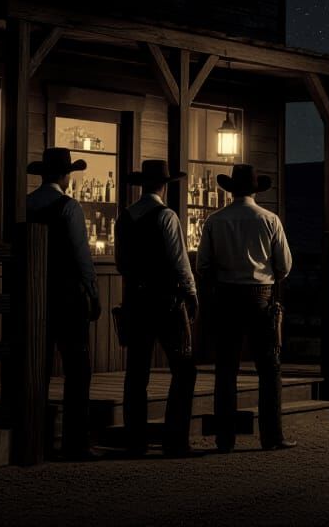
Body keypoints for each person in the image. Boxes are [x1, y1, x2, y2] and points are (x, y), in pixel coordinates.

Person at [198, 163, 295, 453]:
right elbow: (284, 266)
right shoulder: (269, 219)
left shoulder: (215, 220)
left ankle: (224, 438)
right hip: (259, 296)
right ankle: (271, 435)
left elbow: (203, 265)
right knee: (269, 367)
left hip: (226, 296)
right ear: (256, 190)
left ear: (230, 190)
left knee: (226, 368)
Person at [115, 160, 199, 457]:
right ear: (165, 185)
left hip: (135, 299)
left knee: (137, 372)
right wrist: (191, 292)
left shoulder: (124, 218)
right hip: (165, 300)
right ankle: (175, 439)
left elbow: (120, 262)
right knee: (184, 368)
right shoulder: (167, 216)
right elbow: (179, 260)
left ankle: (134, 440)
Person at [26, 147, 100, 460]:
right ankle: (75, 441)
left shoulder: (26, 204)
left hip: (33, 294)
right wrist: (93, 291)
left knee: (35, 367)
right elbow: (81, 255)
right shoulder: (69, 207)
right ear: (65, 175)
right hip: (68, 295)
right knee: (78, 368)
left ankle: (33, 436)